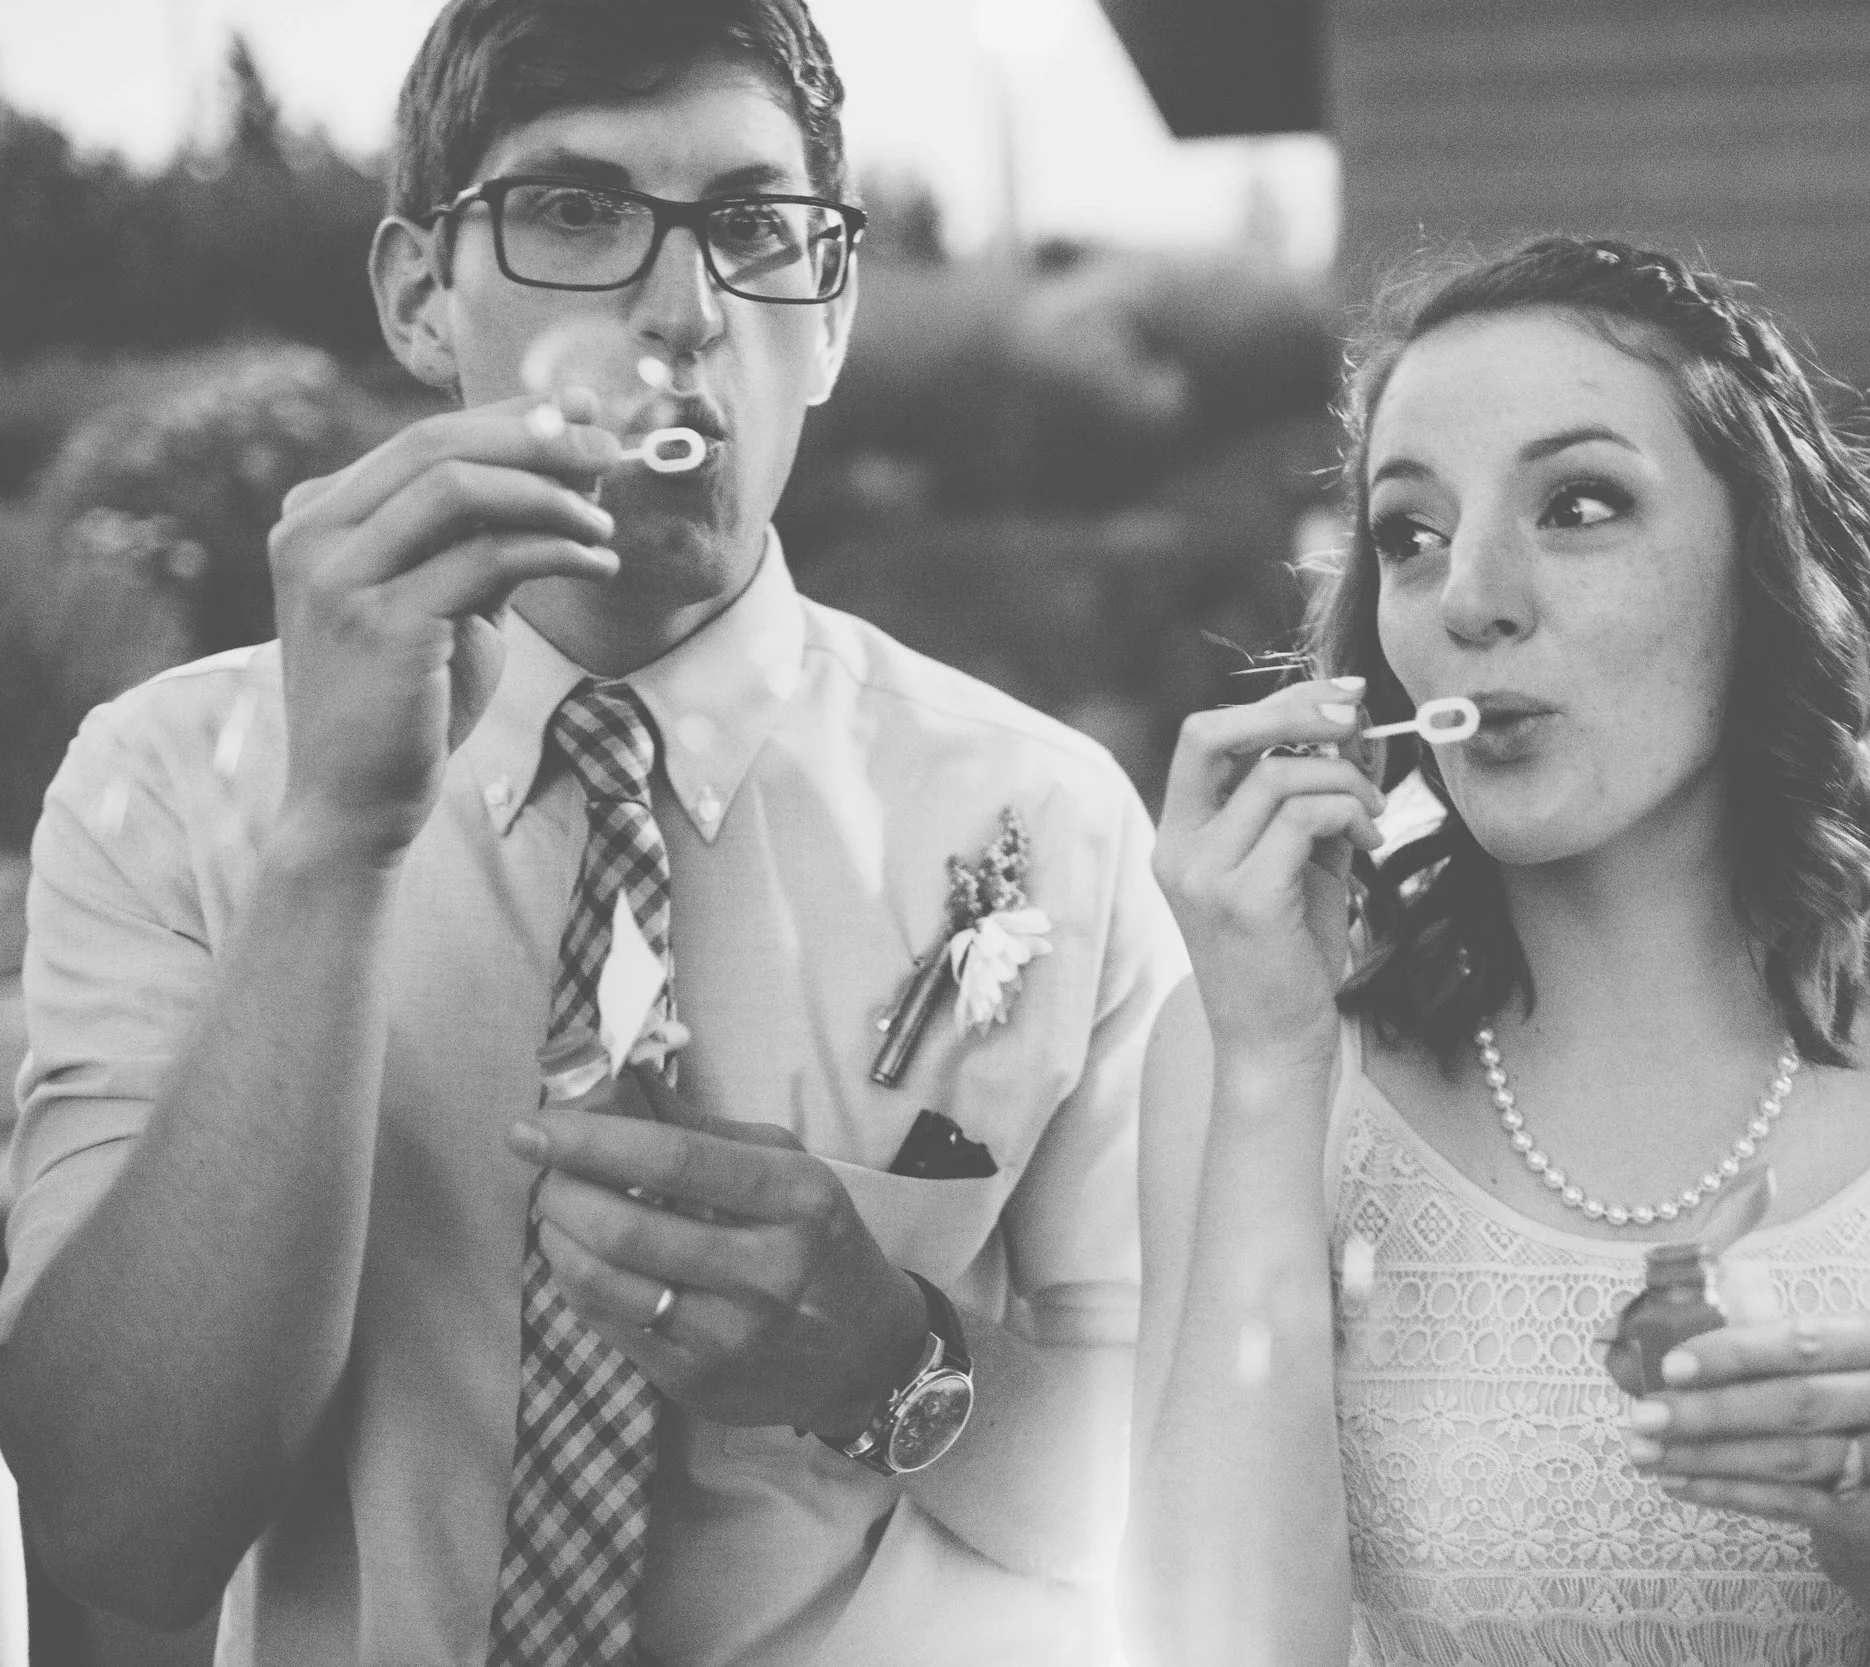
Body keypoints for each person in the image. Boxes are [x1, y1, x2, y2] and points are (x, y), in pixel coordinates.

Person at [0, 4, 1183, 1662]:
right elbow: (111, 1533)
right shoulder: (177, 780)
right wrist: (335, 843)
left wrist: (891, 1360)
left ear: (829, 313)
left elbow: (1191, 1497)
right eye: (574, 211)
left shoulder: (1045, 825)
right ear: (422, 294)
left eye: (757, 230)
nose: (685, 310)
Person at [1130, 238, 1870, 1666]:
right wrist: (1267, 1066)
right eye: (1409, 533)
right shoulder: (1248, 1042)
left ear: (1765, 568)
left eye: (1578, 504)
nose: (1466, 596)